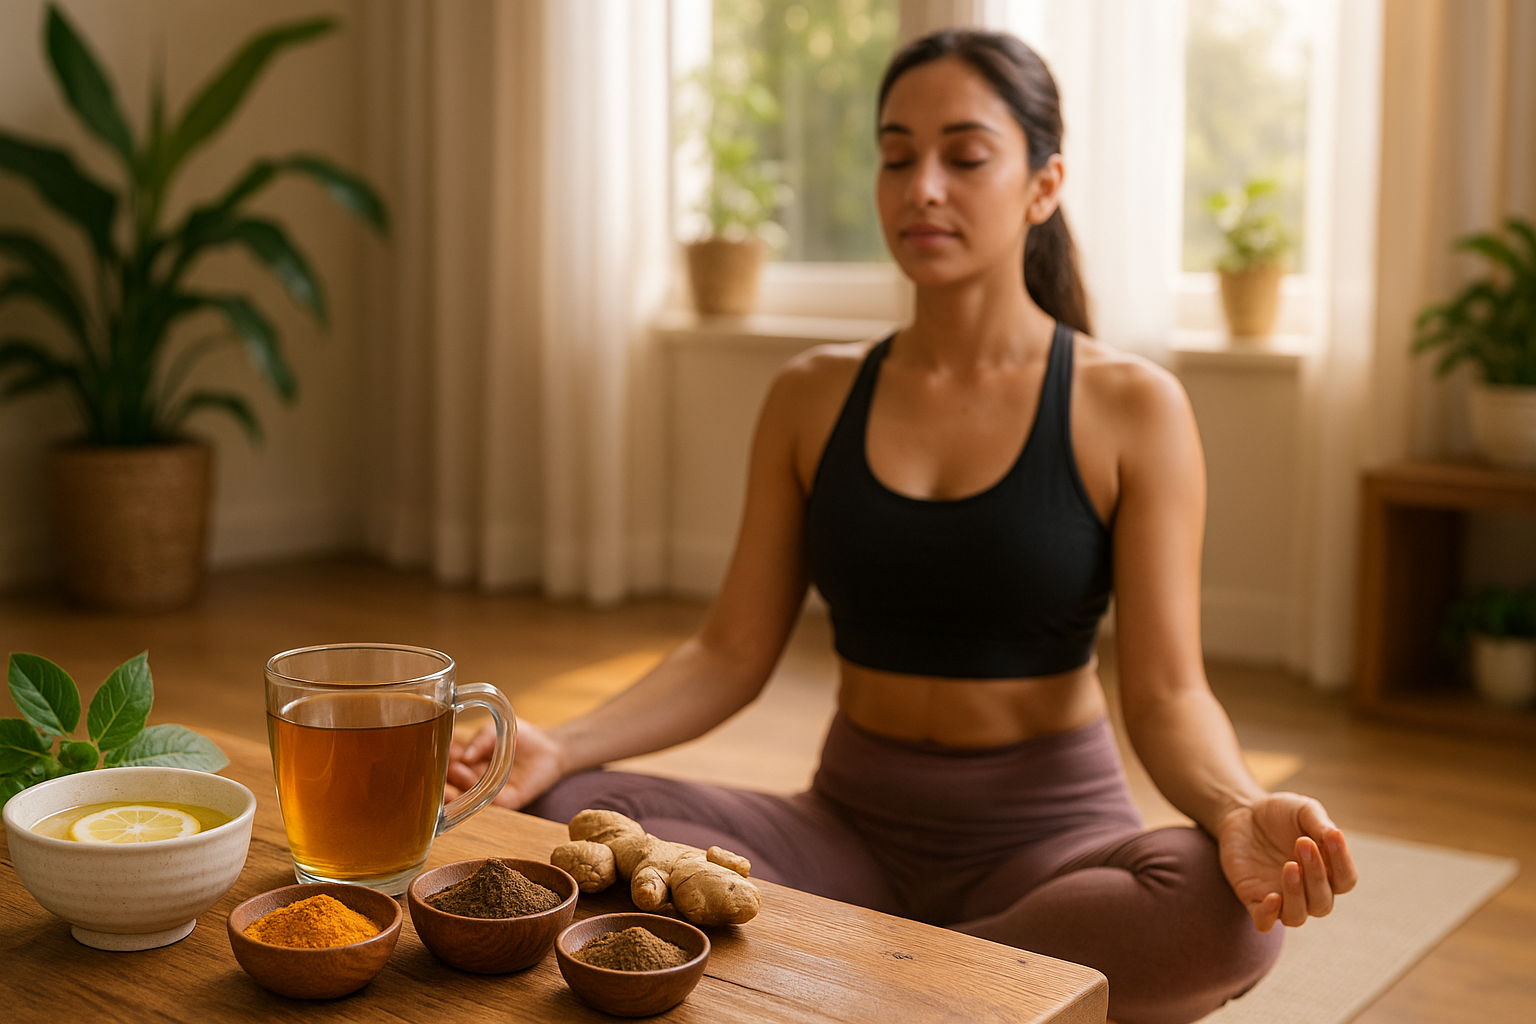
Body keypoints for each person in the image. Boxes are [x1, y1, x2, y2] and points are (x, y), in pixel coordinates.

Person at [448, 28, 1357, 1024]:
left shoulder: (1132, 406)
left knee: (1221, 911)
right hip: (844, 831)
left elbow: (1170, 692)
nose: (922, 187)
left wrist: (1235, 809)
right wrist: (558, 743)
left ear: (1043, 186)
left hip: (1049, 844)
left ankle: (838, 977)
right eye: (896, 157)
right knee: (573, 815)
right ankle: (974, 993)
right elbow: (728, 652)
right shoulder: (810, 395)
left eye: (965, 157)